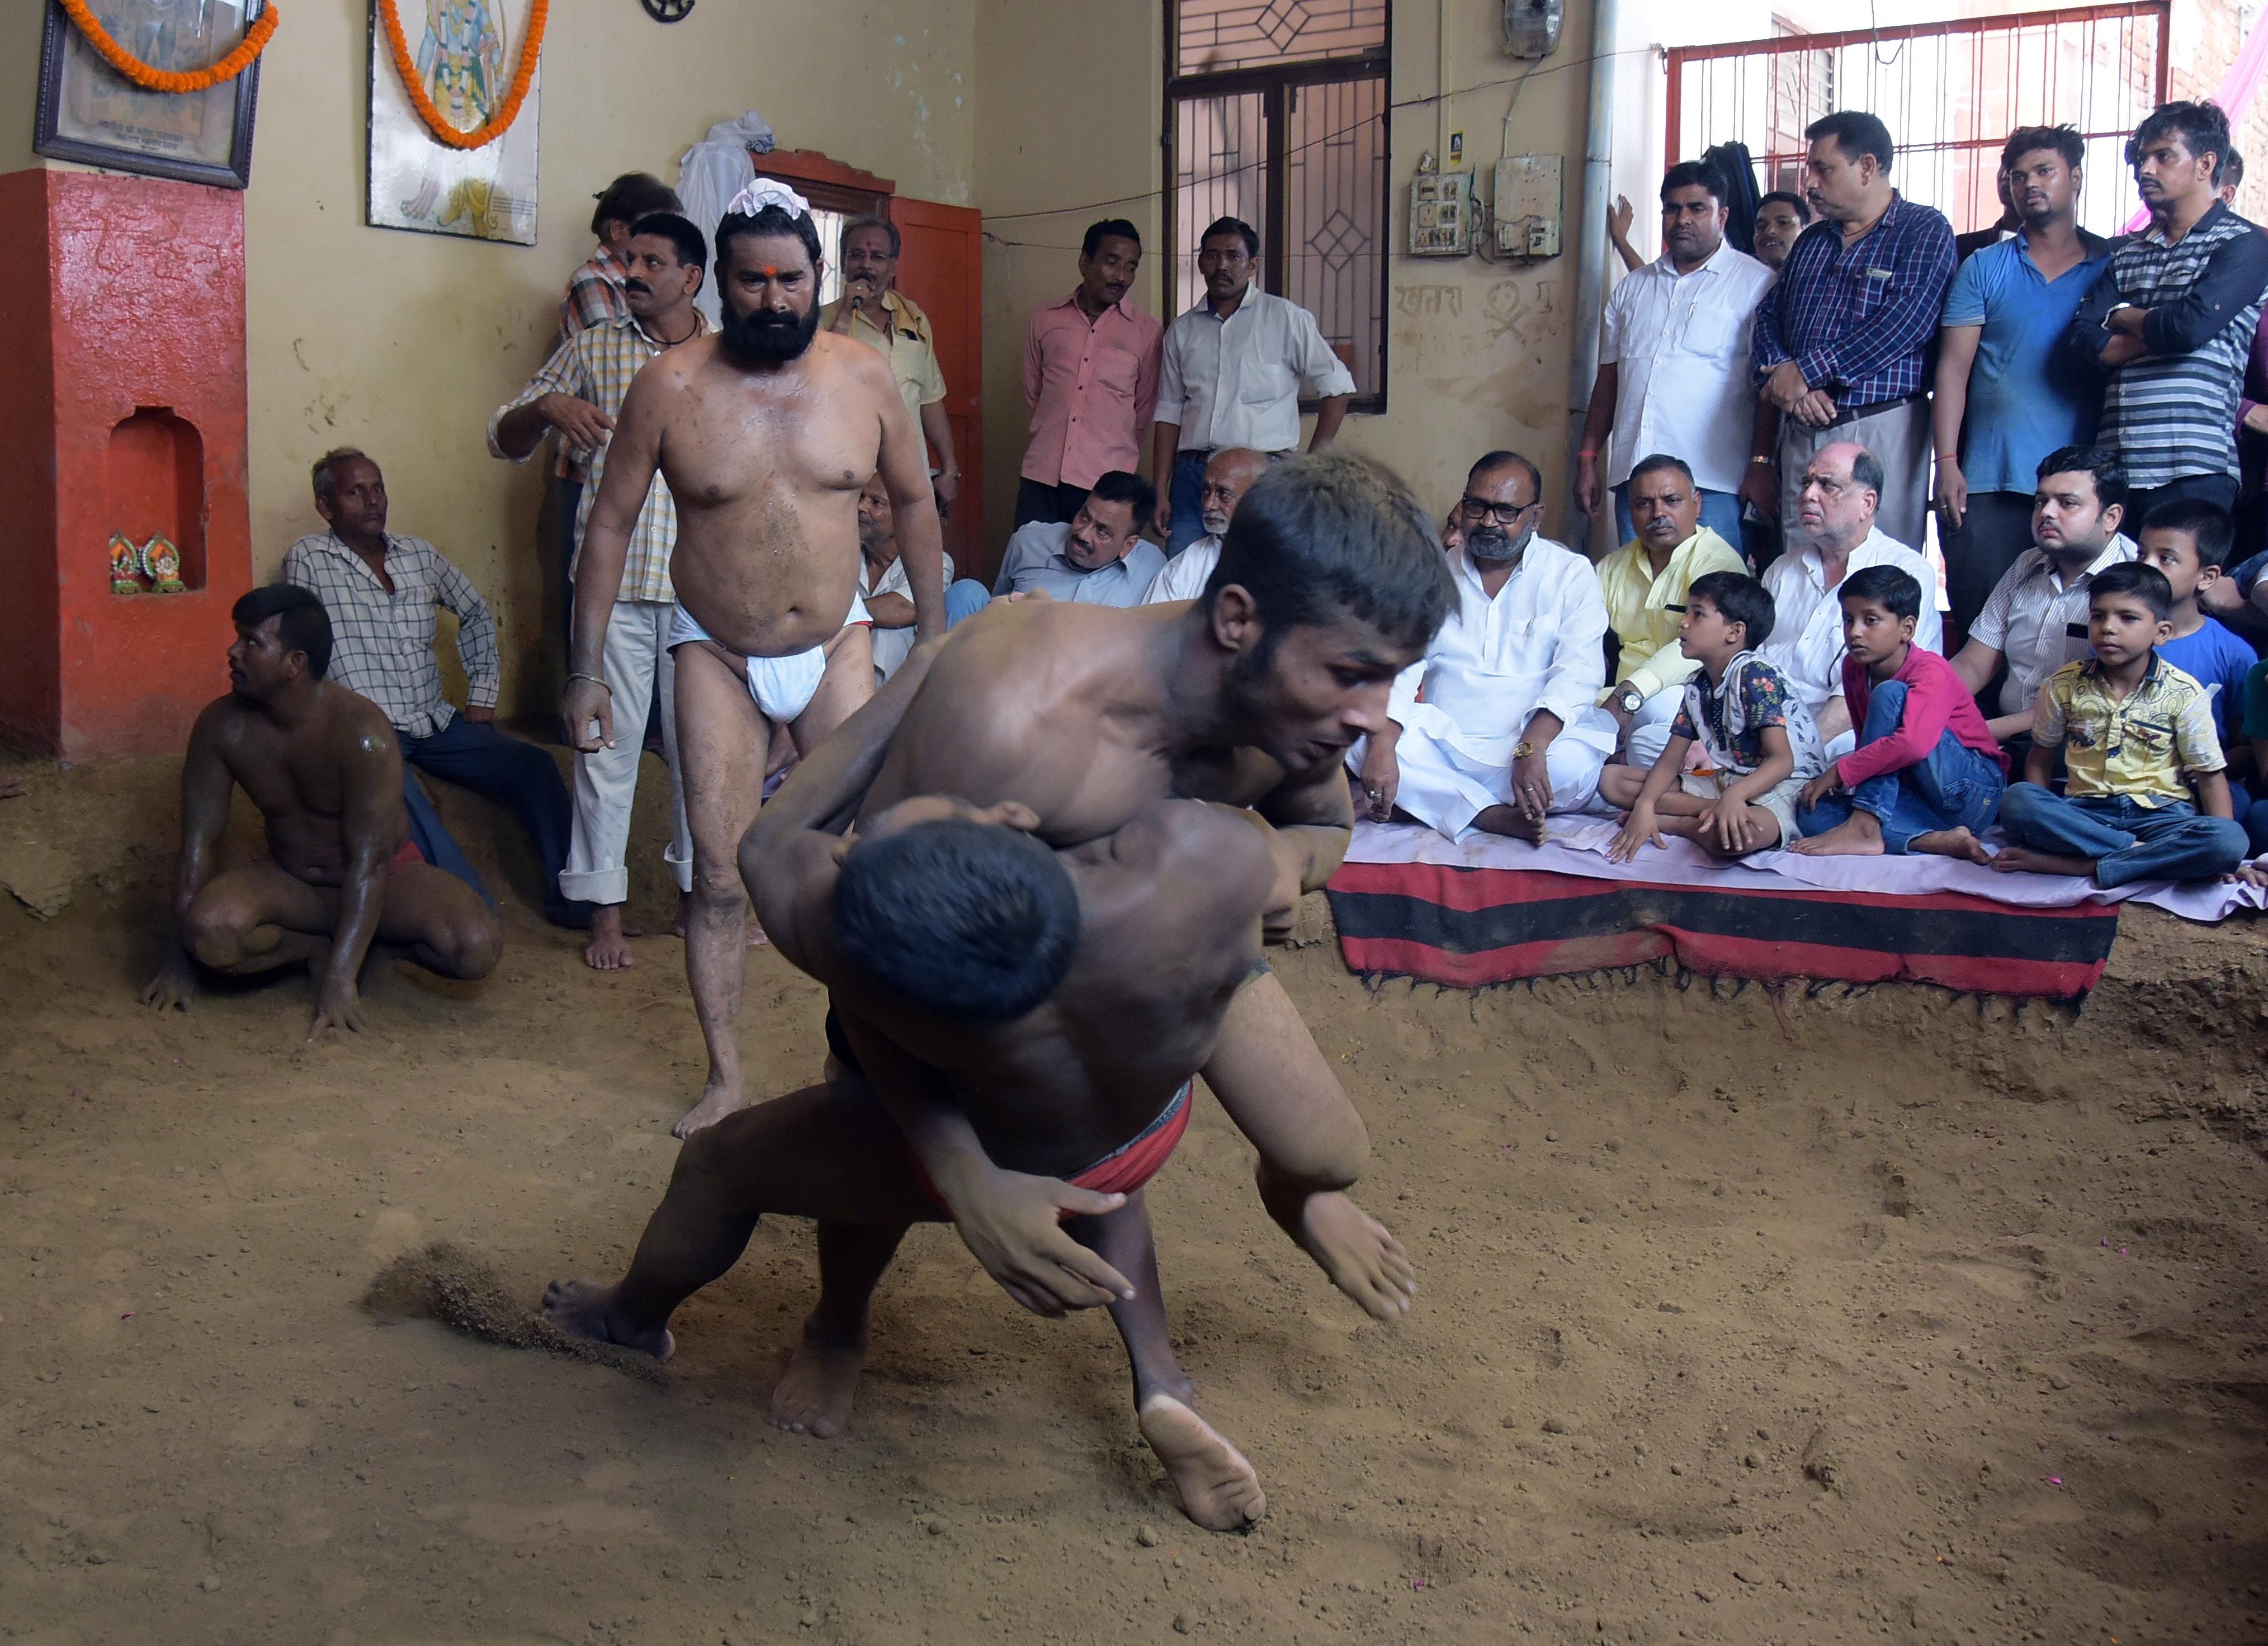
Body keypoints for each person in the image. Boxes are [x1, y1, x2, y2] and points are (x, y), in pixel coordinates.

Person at [543, 642, 1416, 1533]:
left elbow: (771, 840)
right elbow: (1286, 826)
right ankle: (1170, 1373)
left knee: (735, 1160)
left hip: (984, 1151)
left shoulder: (851, 954)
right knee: (1147, 1112)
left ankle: (642, 1320)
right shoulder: (1172, 875)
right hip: (1144, 1116)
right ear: (1010, 821)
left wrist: (926, 668)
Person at [823, 456, 1452, 1437]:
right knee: (862, 1141)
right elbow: (873, 957)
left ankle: (1209, 1310)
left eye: (1390, 679)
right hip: (956, 980)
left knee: (1309, 1151)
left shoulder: (1288, 720)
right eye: (1352, 674)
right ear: (1238, 618)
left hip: (1148, 954)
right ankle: (836, 1323)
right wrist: (962, 1171)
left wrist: (1280, 856)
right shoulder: (1017, 715)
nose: (1375, 715)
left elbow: (1325, 827)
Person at [562, 179, 947, 1139]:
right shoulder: (671, 384)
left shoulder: (863, 378)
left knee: (865, 863)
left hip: (838, 640)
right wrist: (584, 669)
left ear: (817, 278)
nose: (771, 298)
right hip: (716, 650)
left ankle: (869, 1064)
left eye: (789, 278)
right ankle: (726, 1075)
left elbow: (916, 503)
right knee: (723, 874)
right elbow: (607, 524)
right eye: (751, 280)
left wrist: (934, 634)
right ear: (718, 282)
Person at [490, 211, 709, 971]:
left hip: (702, 593)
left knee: (702, 755)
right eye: (629, 260)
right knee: (604, 753)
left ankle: (696, 908)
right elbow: (503, 438)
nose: (634, 274)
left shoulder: (726, 359)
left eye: (653, 262)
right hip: (611, 592)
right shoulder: (595, 348)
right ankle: (605, 916)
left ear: (692, 278)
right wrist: (547, 408)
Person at [140, 586, 499, 1037]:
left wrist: (339, 982)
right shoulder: (221, 728)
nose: (234, 652)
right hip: (295, 883)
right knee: (210, 934)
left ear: (294, 663)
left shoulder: (363, 732)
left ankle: (368, 950)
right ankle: (308, 948)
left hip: (387, 882)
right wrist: (181, 961)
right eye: (238, 638)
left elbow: (371, 863)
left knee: (475, 948)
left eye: (252, 642)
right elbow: (199, 842)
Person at [281, 449, 586, 929]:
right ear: (326, 506)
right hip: (370, 731)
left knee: (534, 766)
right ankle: (473, 916)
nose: (372, 500)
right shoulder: (310, 560)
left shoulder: (418, 555)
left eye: (377, 488)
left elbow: (476, 612)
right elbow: (300, 644)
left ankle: (575, 903)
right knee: (403, 801)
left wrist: (483, 695)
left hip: (435, 723)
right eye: (354, 491)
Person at [1352, 451, 1617, 843]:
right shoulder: (1433, 573)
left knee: (1571, 767)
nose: (1489, 522)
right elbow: (1401, 667)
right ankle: (1489, 814)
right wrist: (1383, 745)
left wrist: (1532, 747)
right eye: (1477, 507)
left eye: (1506, 511)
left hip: (1533, 746)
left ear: (1536, 516)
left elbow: (1579, 673)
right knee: (1360, 741)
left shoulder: (1570, 574)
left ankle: (1446, 802)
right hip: (1448, 744)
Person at [1933, 126, 2113, 642]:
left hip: (2083, 490)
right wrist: (1947, 464)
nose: (2029, 184)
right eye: (2018, 176)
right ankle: (1975, 727)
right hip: (1987, 480)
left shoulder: (2111, 267)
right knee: (1981, 628)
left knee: (2072, 634)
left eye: (2044, 172)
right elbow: (1953, 370)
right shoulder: (1984, 267)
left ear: (2076, 178)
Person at [1753, 111, 1957, 553]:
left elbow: (1905, 323)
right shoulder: (1811, 241)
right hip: (1803, 428)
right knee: (1802, 561)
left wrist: (1806, 372)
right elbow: (1769, 315)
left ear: (1867, 167)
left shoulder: (1922, 230)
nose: (1809, 183)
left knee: (1880, 568)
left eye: (1823, 169)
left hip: (1880, 426)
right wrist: (1790, 383)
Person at [2066, 101, 2268, 523]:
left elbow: (2187, 329)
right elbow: (2082, 343)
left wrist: (2122, 316)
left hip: (2195, 466)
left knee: (2182, 591)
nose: (2145, 170)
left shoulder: (2245, 245)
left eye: (2163, 156)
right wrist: (2166, 329)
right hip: (2115, 469)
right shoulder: (2125, 254)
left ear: (2205, 164)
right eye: (2141, 159)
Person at [1985, 563, 2248, 884]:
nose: (2108, 628)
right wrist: (2034, 831)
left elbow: (2209, 778)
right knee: (2018, 800)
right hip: (2085, 816)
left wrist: (2226, 862)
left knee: (2228, 840)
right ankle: (2140, 855)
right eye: (2098, 616)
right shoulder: (2064, 685)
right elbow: (2040, 760)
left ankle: (2084, 866)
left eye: (2128, 618)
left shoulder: (2184, 693)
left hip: (2163, 818)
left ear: (2161, 632)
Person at [1576, 159, 1777, 553]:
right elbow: (1610, 380)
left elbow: (1768, 384)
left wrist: (1761, 463)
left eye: (1696, 208)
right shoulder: (1633, 289)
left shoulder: (1758, 285)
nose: (1682, 219)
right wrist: (1588, 456)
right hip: (1637, 481)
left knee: (1714, 604)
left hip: (1715, 483)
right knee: (1640, 601)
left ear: (1722, 215)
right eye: (1672, 208)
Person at [1149, 216, 1357, 554]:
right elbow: (1170, 411)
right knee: (1184, 576)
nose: (1222, 266)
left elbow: (1337, 386)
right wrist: (1160, 488)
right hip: (1194, 480)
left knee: (1261, 574)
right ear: (1201, 262)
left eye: (1234, 256)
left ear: (1252, 265)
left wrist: (1311, 465)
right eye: (1213, 256)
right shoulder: (1182, 331)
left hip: (1264, 478)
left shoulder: (1286, 319)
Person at [1602, 569, 1824, 861]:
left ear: (1734, 632)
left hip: (1783, 785)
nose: (1683, 623)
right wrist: (1644, 805)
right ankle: (1705, 812)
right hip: (1729, 780)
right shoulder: (1697, 683)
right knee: (1611, 779)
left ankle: (1674, 822)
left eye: (1698, 615)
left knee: (1736, 837)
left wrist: (1735, 797)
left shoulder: (1755, 675)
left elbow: (1782, 761)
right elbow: (1670, 761)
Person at [1789, 566, 2009, 857]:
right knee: (1810, 815)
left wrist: (1842, 771)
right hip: (1920, 799)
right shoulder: (1854, 668)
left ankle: (1865, 826)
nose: (1855, 632)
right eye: (1848, 620)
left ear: (1907, 628)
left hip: (1974, 792)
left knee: (1891, 693)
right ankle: (1931, 840)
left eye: (1871, 621)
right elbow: (1868, 742)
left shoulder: (1931, 670)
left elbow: (1913, 745)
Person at [1949, 447, 2136, 750]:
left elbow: (2089, 703)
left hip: (2081, 746)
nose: (2047, 513)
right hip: (2001, 736)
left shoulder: (2133, 579)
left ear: (2111, 517)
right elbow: (1973, 665)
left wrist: (1970, 733)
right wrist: (1927, 710)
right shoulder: (2027, 565)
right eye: (2041, 501)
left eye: (2067, 503)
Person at [1759, 441, 1944, 749]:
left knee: (1847, 752)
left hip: (1848, 728)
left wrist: (1791, 752)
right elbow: (1747, 657)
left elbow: (1874, 688)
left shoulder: (1906, 571)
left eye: (1827, 485)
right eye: (1807, 482)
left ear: (1867, 503)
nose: (1808, 495)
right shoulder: (1781, 570)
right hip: (1766, 720)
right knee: (1662, 724)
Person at [1593, 454, 1749, 767]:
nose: (1658, 513)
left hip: (1690, 698)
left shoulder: (1717, 563)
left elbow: (1698, 647)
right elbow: (1580, 634)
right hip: (1618, 701)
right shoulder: (1612, 567)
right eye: (1644, 504)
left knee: (1656, 716)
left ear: (1697, 505)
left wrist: (1630, 696)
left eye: (1671, 501)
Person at [1018, 219, 1163, 528]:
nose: (1122, 277)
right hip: (1042, 473)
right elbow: (1035, 393)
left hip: (1106, 484)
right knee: (1031, 564)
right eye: (1112, 263)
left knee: (1091, 571)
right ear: (1085, 262)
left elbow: (1144, 408)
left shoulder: (1147, 333)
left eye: (1131, 267)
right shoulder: (1045, 320)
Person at [2135, 497, 2259, 836]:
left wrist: (2202, 770)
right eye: (2141, 554)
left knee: (2233, 812)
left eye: (2166, 559)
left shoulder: (2233, 653)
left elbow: (2246, 746)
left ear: (2207, 576)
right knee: (2028, 802)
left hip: (2196, 789)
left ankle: (2124, 849)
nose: (2147, 567)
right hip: (2121, 783)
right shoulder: (2118, 637)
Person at [821, 216, 960, 518]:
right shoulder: (822, 322)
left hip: (911, 482)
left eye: (878, 257)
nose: (866, 265)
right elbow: (819, 385)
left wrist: (949, 469)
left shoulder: (914, 321)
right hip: (851, 482)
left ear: (894, 266)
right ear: (844, 263)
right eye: (856, 255)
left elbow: (929, 398)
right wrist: (847, 312)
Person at [854, 474, 991, 683]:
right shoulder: (844, 556)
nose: (862, 507)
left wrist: (837, 615)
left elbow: (904, 609)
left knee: (893, 632)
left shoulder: (933, 561)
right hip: (844, 672)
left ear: (903, 517)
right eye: (861, 497)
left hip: (902, 681)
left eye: (876, 502)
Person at [991, 471, 1166, 606]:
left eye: (1102, 531)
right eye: (1084, 516)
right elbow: (993, 614)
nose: (1083, 535)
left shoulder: (1152, 567)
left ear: (1128, 545)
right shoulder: (1028, 542)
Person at [1141, 447, 1269, 605]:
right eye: (1206, 491)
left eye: (1224, 494)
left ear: (1258, 498)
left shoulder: (1288, 562)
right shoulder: (1185, 565)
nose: (1209, 505)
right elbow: (1155, 625)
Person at [1750, 190, 1812, 273]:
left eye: (1783, 223)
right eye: (1761, 226)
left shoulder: (1818, 278)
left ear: (1806, 230)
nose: (1770, 231)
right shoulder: (1741, 276)